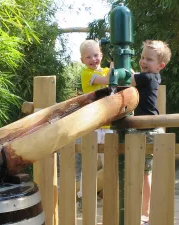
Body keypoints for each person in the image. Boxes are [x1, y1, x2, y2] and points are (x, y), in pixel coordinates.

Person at [129, 40, 171, 225]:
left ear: (160, 66)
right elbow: (133, 76)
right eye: (142, 57)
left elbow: (128, 78)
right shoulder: (149, 77)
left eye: (149, 59)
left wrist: (108, 73)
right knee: (144, 172)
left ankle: (145, 213)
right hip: (146, 128)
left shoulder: (148, 77)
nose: (143, 61)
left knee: (145, 173)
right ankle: (145, 211)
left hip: (148, 130)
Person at [76, 39, 113, 207]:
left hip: (108, 124)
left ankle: (107, 191)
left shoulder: (105, 70)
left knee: (110, 162)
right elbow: (108, 80)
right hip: (94, 125)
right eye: (88, 57)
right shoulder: (87, 74)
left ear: (101, 55)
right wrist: (115, 64)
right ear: (82, 60)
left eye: (96, 55)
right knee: (90, 162)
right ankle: (84, 193)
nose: (93, 59)